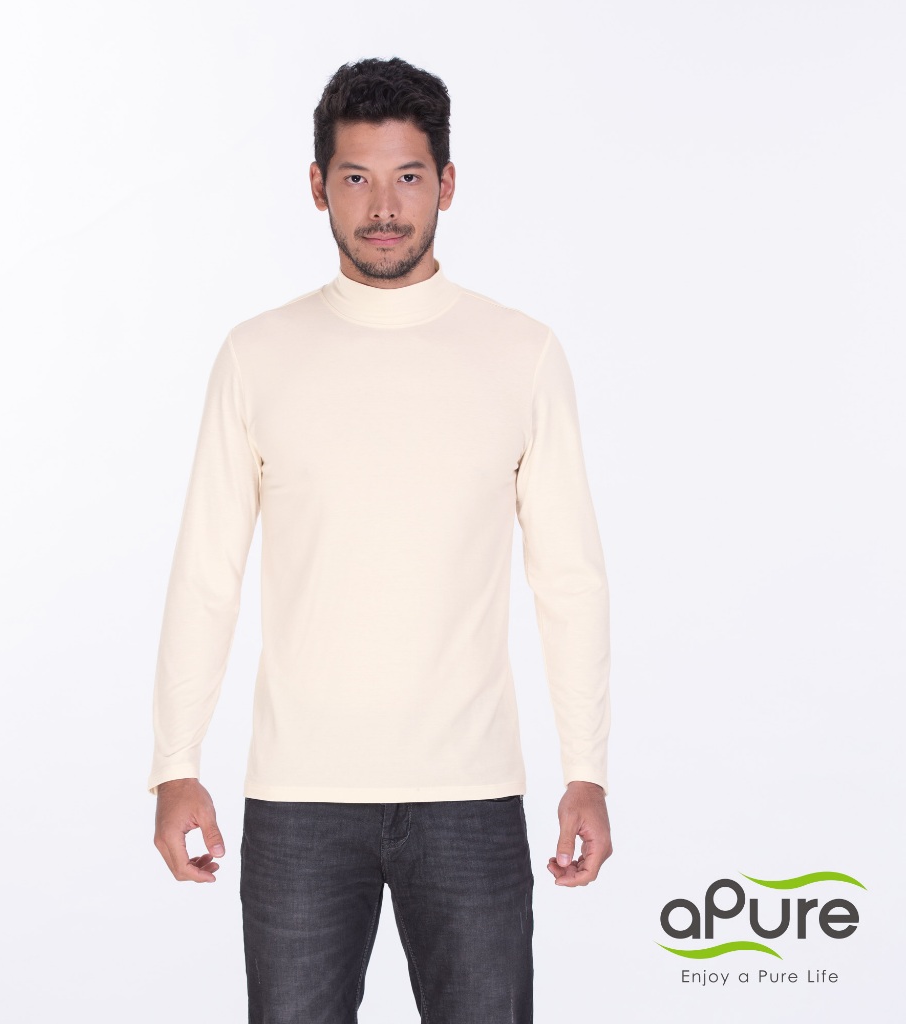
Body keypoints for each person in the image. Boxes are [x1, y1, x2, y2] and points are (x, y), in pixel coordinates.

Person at [148, 56, 613, 1023]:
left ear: (448, 183)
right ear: (318, 186)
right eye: (357, 177)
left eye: (408, 176)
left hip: (472, 793)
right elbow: (206, 574)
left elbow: (567, 578)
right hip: (300, 797)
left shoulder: (520, 353)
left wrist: (587, 770)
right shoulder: (257, 355)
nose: (384, 206)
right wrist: (175, 762)